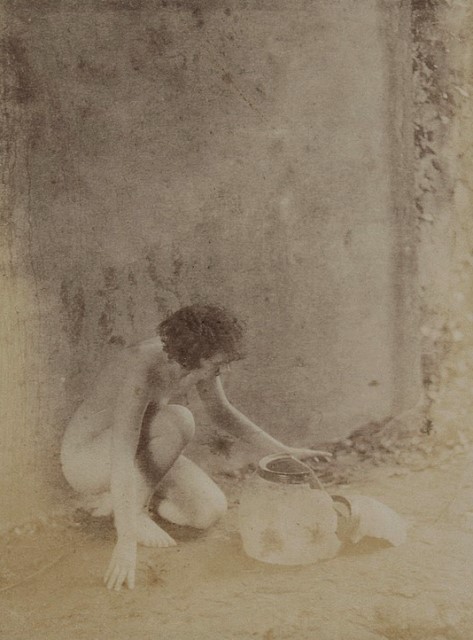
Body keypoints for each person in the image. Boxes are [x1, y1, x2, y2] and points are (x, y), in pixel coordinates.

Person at [60, 304, 329, 591]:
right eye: (218, 363)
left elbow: (222, 412)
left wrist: (284, 450)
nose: (224, 369)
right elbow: (122, 453)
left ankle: (119, 499)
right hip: (86, 460)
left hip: (136, 448)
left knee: (207, 512)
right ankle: (132, 511)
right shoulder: (143, 366)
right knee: (179, 420)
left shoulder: (197, 363)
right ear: (194, 354)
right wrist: (126, 540)